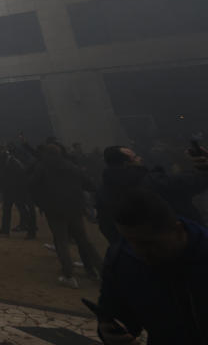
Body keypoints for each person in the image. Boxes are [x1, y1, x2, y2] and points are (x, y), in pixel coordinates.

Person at [95, 189, 208, 344]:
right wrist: (109, 333)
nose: (139, 252)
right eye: (130, 240)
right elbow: (117, 313)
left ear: (178, 230)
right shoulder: (122, 260)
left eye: (148, 243)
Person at [96, 144, 208, 244]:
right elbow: (193, 182)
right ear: (126, 163)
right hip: (177, 244)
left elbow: (106, 226)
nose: (140, 158)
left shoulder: (103, 192)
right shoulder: (150, 181)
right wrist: (202, 165)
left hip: (140, 254)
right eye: (135, 157)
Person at [28, 144, 103, 288]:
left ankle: (69, 275)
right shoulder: (72, 166)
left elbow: (31, 184)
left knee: (61, 242)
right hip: (74, 208)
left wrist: (42, 201)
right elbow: (90, 184)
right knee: (84, 241)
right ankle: (103, 271)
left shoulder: (43, 167)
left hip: (54, 209)